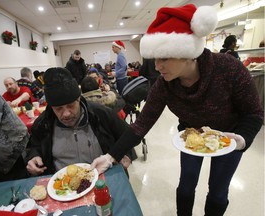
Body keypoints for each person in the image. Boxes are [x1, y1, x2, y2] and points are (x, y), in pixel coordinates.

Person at [91, 4, 264, 216]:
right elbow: (142, 124)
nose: (157, 66)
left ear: (188, 53)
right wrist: (110, 156)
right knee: (185, 186)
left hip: (229, 137)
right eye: (156, 59)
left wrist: (242, 139)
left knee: (218, 192)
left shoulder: (229, 68)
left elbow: (254, 113)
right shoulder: (165, 84)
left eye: (164, 58)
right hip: (191, 135)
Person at [25, 67, 135, 177]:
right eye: (58, 109)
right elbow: (35, 146)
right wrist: (34, 156)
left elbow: (129, 136)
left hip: (102, 178)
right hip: (63, 187)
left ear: (78, 99)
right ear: (51, 107)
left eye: (71, 105)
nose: (66, 113)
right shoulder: (43, 123)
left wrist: (127, 154)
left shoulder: (101, 114)